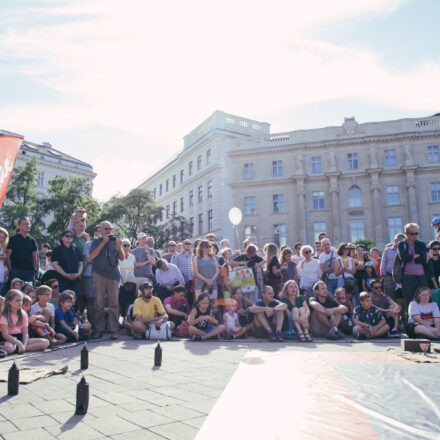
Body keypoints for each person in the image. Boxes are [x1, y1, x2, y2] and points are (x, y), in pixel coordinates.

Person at [89, 221, 124, 340]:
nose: (108, 231)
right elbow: (92, 256)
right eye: (106, 229)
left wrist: (119, 246)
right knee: (99, 302)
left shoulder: (115, 241)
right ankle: (99, 329)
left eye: (110, 229)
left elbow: (122, 257)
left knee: (114, 303)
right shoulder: (96, 241)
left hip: (113, 274)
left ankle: (114, 330)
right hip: (99, 273)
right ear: (101, 230)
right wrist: (103, 242)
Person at [0, 289, 49, 355]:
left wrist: (24, 345)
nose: (20, 302)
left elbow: (25, 333)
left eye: (21, 300)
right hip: (9, 339)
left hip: (19, 337)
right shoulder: (5, 315)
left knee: (45, 342)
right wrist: (19, 343)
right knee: (10, 348)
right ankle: (11, 348)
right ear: (9, 302)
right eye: (17, 300)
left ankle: (21, 348)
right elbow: (5, 335)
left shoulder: (23, 314)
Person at [398, 223, 428, 308]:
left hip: (421, 275)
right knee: (409, 300)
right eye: (412, 234)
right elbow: (403, 258)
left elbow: (423, 259)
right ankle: (411, 320)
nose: (414, 235)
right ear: (405, 233)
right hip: (407, 276)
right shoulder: (401, 244)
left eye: (416, 233)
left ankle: (423, 319)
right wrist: (415, 256)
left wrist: (410, 257)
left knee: (424, 299)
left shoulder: (421, 244)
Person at [6, 217, 38, 287]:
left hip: (29, 271)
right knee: (14, 292)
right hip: (15, 270)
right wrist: (10, 269)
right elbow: (8, 256)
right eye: (25, 224)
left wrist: (34, 270)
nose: (28, 226)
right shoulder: (12, 239)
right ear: (19, 226)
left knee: (29, 290)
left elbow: (35, 257)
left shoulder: (32, 241)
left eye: (29, 224)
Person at [51, 230, 83, 296]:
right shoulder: (57, 250)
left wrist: (78, 274)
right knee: (63, 299)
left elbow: (80, 263)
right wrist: (65, 274)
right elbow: (54, 264)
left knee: (75, 300)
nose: (69, 237)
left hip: (75, 279)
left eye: (71, 236)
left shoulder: (75, 249)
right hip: (62, 280)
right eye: (67, 236)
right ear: (62, 238)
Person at [380, 233, 405, 299]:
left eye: (402, 241)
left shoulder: (404, 250)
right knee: (389, 295)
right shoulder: (387, 250)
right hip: (389, 275)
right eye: (398, 240)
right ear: (395, 240)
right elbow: (383, 262)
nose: (399, 242)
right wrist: (384, 274)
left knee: (401, 296)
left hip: (401, 277)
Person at [118, 238, 137, 319]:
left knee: (129, 302)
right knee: (119, 302)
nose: (126, 247)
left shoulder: (133, 257)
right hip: (120, 283)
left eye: (128, 245)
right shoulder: (117, 256)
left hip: (130, 284)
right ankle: (118, 320)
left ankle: (126, 319)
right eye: (124, 245)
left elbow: (135, 270)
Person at [0, 226, 9, 294]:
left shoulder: (3, 248)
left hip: (2, 275)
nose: (1, 239)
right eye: (0, 237)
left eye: (3, 238)